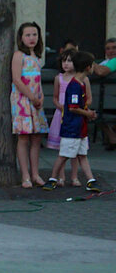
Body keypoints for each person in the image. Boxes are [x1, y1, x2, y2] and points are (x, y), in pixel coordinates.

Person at [44, 51, 101, 192]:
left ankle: (91, 180)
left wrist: (87, 113)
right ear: (88, 67)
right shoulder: (75, 86)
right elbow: (73, 107)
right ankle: (52, 179)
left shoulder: (80, 83)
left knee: (82, 154)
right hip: (72, 128)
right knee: (64, 155)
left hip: (80, 128)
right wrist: (87, 113)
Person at [11, 22, 49, 188]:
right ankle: (25, 175)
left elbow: (38, 81)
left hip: (36, 101)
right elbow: (17, 79)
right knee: (24, 136)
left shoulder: (37, 57)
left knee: (36, 137)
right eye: (28, 35)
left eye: (34, 34)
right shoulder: (19, 55)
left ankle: (35, 174)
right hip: (22, 100)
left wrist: (41, 97)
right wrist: (31, 97)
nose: (32, 38)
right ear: (21, 38)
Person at [46, 48, 85, 186]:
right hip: (61, 115)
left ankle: (74, 176)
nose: (66, 64)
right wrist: (61, 106)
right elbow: (55, 98)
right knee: (62, 149)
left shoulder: (81, 79)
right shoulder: (59, 78)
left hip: (75, 116)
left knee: (74, 149)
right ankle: (61, 177)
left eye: (69, 61)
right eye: (64, 61)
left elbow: (87, 98)